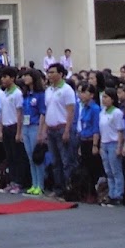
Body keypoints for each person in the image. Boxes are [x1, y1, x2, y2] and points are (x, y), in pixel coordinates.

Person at [42, 63, 78, 194]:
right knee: (55, 161)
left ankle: (69, 189)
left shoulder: (67, 90)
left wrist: (67, 130)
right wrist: (45, 130)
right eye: (48, 72)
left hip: (62, 128)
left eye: (52, 72)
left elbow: (70, 111)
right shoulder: (48, 90)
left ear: (61, 74)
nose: (49, 75)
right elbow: (48, 111)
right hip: (51, 128)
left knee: (66, 161)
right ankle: (59, 188)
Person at [0, 68, 25, 193]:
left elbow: (19, 114)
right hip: (6, 126)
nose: (3, 79)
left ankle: (19, 182)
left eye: (5, 76)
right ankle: (12, 181)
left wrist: (19, 131)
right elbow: (1, 112)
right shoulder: (4, 93)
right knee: (10, 156)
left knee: (17, 156)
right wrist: (0, 130)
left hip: (14, 126)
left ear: (12, 78)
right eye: (2, 77)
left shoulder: (17, 93)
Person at [19, 69, 46, 196]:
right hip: (26, 125)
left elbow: (42, 113)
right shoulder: (25, 94)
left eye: (28, 76)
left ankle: (40, 184)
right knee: (30, 157)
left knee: (37, 157)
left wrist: (41, 131)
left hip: (35, 126)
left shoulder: (40, 94)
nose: (25, 78)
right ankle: (34, 183)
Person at [98, 88, 125, 206]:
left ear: (113, 99)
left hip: (114, 142)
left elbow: (120, 130)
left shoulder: (117, 113)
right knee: (108, 171)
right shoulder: (102, 112)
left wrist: (120, 146)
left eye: (106, 97)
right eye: (103, 97)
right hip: (104, 142)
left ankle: (118, 194)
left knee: (116, 170)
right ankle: (111, 193)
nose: (104, 99)